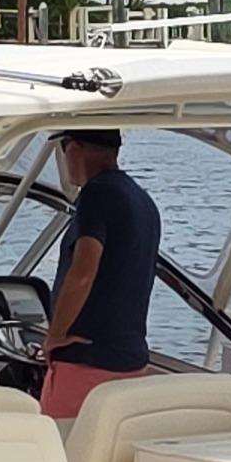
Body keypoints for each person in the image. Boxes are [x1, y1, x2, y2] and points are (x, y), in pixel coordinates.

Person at [39, 129, 160, 420]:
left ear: (76, 148)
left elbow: (82, 272)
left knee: (61, 453)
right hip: (130, 363)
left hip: (87, 365)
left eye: (63, 145)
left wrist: (54, 337)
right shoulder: (142, 200)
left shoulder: (96, 195)